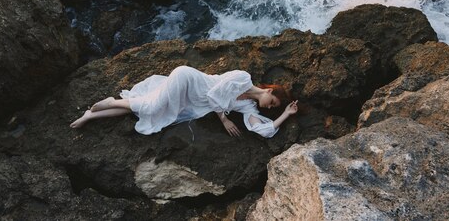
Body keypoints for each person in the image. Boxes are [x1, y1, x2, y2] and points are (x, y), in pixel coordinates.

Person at [70, 65, 298, 138]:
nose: (270, 106)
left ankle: (91, 115)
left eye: (273, 107)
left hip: (190, 102)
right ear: (269, 90)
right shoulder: (242, 78)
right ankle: (109, 102)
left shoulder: (248, 106)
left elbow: (263, 130)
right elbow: (214, 95)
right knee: (152, 107)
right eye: (273, 101)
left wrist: (285, 114)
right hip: (187, 80)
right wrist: (223, 119)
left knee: (146, 113)